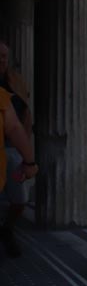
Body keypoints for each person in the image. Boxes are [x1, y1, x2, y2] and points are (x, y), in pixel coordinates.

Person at [0, 41, 34, 258]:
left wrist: (28, 158)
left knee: (20, 199)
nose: (2, 60)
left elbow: (17, 124)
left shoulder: (15, 84)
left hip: (11, 148)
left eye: (4, 56)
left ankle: (7, 229)